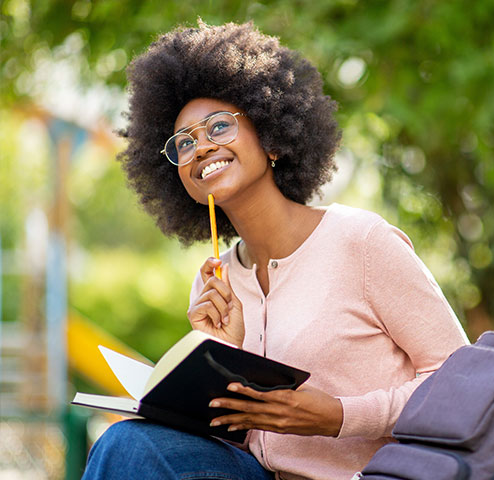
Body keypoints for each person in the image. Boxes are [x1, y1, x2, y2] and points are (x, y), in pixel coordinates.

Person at [82, 20, 469, 480]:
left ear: (271, 138)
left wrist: (338, 417)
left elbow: (460, 383)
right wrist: (220, 352)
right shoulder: (214, 283)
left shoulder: (361, 241)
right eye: (183, 142)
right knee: (127, 442)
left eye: (219, 127)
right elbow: (237, 440)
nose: (201, 147)